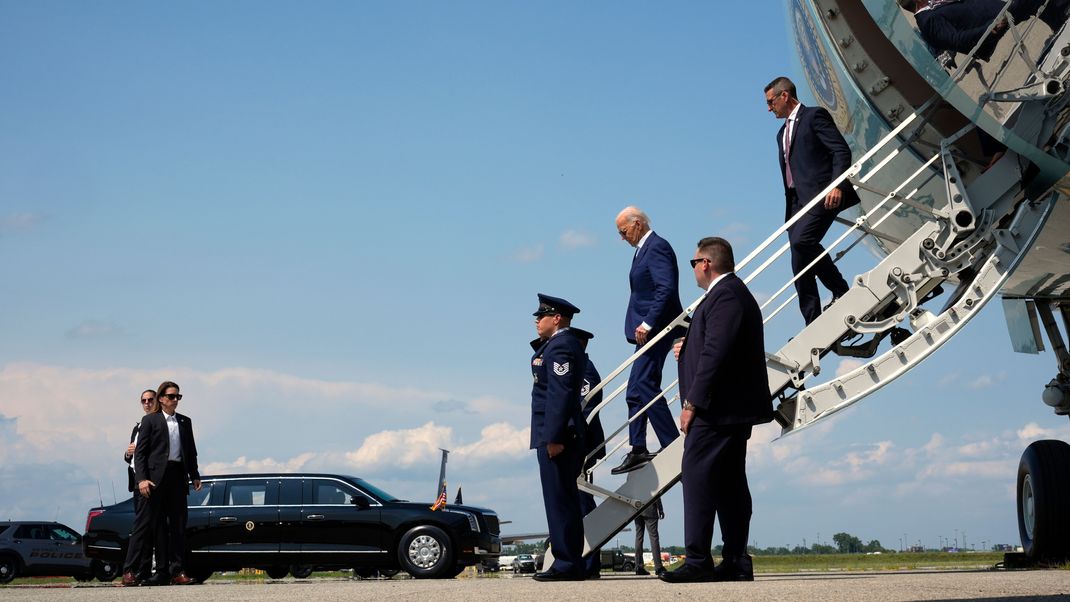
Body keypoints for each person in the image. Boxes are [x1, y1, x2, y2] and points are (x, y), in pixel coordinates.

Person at [660, 237, 774, 584]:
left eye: (694, 262)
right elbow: (712, 345)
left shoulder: (725, 295)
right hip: (729, 409)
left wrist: (692, 402)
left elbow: (717, 352)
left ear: (706, 263)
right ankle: (736, 560)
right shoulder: (728, 296)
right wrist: (687, 346)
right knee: (728, 483)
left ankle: (697, 560)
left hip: (716, 409)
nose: (692, 269)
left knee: (697, 478)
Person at [765, 76, 860, 325]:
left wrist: (837, 185)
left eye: (770, 101)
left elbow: (840, 150)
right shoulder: (781, 133)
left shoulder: (814, 116)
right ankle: (812, 321)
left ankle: (840, 290)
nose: (768, 108)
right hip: (795, 202)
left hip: (821, 194)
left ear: (784, 95)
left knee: (802, 242)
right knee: (799, 262)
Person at [612, 206, 683, 474]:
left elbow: (666, 288)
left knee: (644, 383)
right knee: (634, 391)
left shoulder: (657, 247)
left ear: (637, 224)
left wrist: (648, 322)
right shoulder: (643, 249)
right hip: (647, 330)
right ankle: (638, 447)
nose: (622, 237)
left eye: (623, 231)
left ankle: (671, 442)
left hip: (658, 328)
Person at [528, 294, 588, 582]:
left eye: (542, 316)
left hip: (557, 437)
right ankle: (568, 561)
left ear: (557, 318)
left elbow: (560, 394)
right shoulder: (555, 345)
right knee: (561, 500)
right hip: (553, 434)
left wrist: (554, 436)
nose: (537, 321)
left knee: (560, 501)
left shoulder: (562, 345)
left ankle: (566, 563)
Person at [121, 381, 202, 586]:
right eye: (172, 396)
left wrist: (195, 474)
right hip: (154, 479)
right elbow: (140, 454)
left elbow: (190, 451)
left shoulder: (185, 422)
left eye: (178, 397)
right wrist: (141, 479)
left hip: (177, 477)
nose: (175, 400)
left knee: (177, 527)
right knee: (143, 525)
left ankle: (176, 571)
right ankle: (129, 570)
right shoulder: (150, 421)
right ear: (162, 398)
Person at [898, 0, 1069, 62]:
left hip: (994, 17)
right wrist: (989, 30)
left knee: (1031, 4)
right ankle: (1064, 18)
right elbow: (957, 40)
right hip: (991, 27)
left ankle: (1061, 22)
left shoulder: (930, 9)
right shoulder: (928, 22)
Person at [572, 327, 606, 579]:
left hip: (581, 444)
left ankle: (588, 562)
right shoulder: (580, 365)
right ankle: (584, 560)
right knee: (577, 502)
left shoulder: (583, 366)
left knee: (582, 504)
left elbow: (586, 406)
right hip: (579, 443)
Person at [123, 389, 166, 584]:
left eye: (150, 399)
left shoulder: (160, 423)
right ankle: (140, 570)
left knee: (154, 528)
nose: (147, 403)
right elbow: (134, 458)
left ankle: (142, 570)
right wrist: (127, 453)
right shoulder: (139, 426)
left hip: (153, 482)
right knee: (143, 528)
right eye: (143, 400)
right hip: (138, 483)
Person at [633, 498, 665, 577]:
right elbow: (656, 493)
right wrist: (660, 509)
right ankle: (658, 567)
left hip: (636, 508)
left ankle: (638, 566)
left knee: (639, 537)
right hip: (650, 508)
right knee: (654, 537)